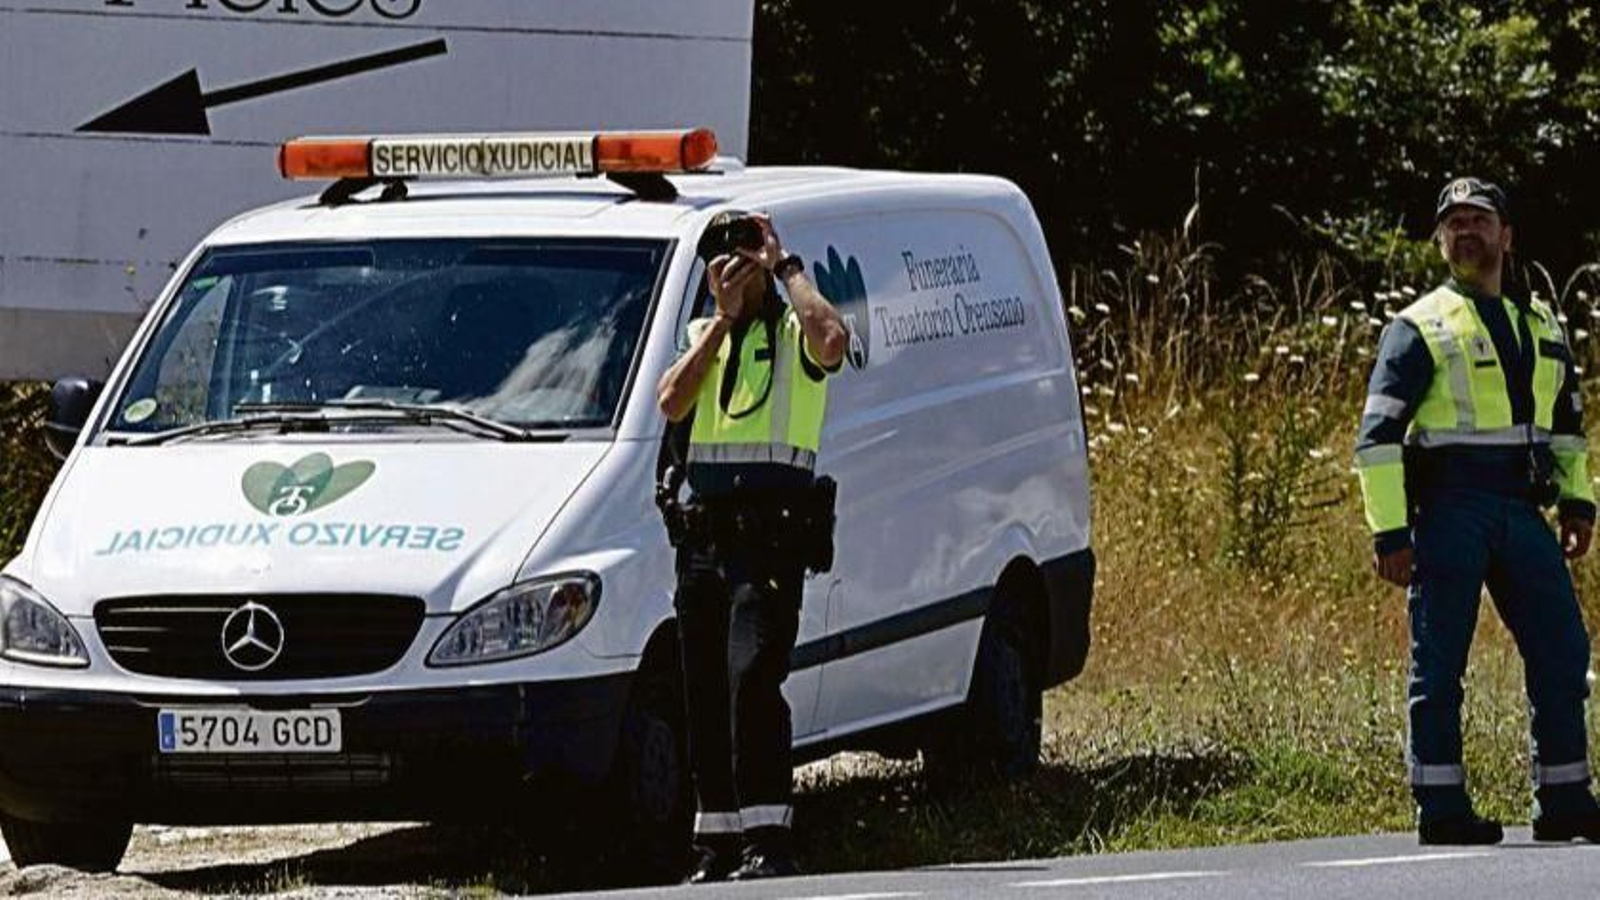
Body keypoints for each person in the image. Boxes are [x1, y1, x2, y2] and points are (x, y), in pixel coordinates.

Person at [1356, 176, 1600, 845]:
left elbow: (1568, 427)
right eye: (1453, 222)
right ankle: (1441, 807)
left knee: (1562, 650)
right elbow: (1375, 439)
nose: (1466, 231)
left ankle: (1567, 798)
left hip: (1522, 508)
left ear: (1507, 235)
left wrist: (1578, 501)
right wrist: (1391, 533)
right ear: (1439, 240)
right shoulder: (1418, 326)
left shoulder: (1542, 325)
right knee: (1440, 662)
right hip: (1449, 508)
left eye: (1479, 219)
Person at [655, 211, 848, 881]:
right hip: (706, 538)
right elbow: (671, 402)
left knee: (752, 678)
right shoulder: (703, 336)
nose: (736, 268)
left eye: (746, 256)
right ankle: (718, 841)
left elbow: (833, 343)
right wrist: (723, 323)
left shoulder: (796, 329)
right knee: (704, 688)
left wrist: (787, 267)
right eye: (724, 260)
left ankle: (770, 836)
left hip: (770, 537)